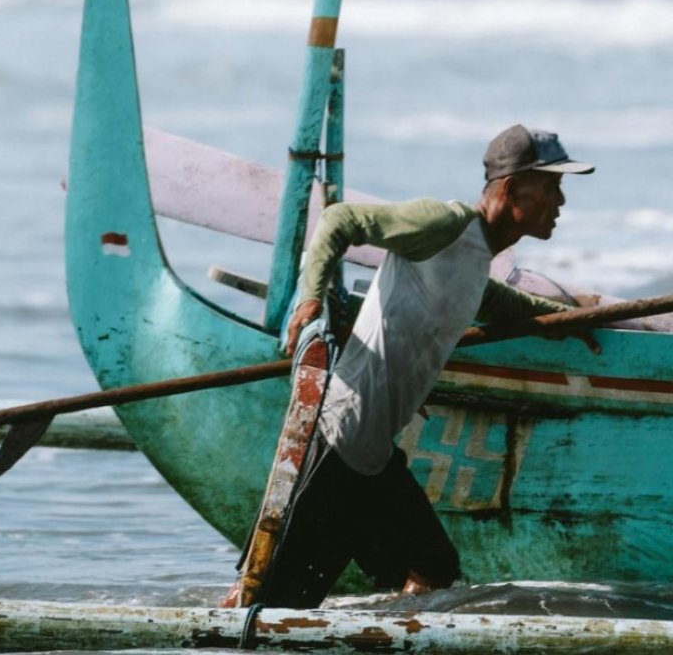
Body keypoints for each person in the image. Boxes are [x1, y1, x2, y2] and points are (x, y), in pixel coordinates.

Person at [254, 124, 594, 609]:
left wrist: (573, 320)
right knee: (272, 606)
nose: (560, 202)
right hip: (336, 445)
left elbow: (493, 300)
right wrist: (309, 298)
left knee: (432, 569)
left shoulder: (476, 255)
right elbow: (339, 219)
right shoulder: (444, 222)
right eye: (552, 187)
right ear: (511, 188)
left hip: (370, 455)